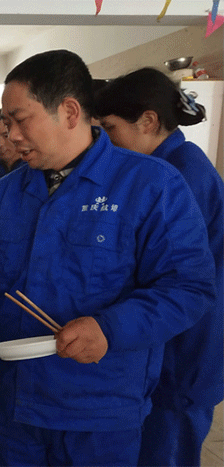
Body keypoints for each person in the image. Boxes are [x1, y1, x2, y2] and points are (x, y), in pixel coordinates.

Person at [0, 49, 216, 466]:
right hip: (19, 403)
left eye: (20, 120)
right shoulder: (5, 194)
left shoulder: (150, 185)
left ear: (69, 112)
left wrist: (109, 328)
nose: (10, 136)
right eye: (7, 124)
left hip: (100, 410)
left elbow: (188, 288)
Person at [95, 67, 224, 467]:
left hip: (187, 347)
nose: (105, 143)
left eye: (110, 129)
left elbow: (170, 276)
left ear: (148, 121)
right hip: (174, 342)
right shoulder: (167, 166)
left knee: (166, 450)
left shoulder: (179, 174)